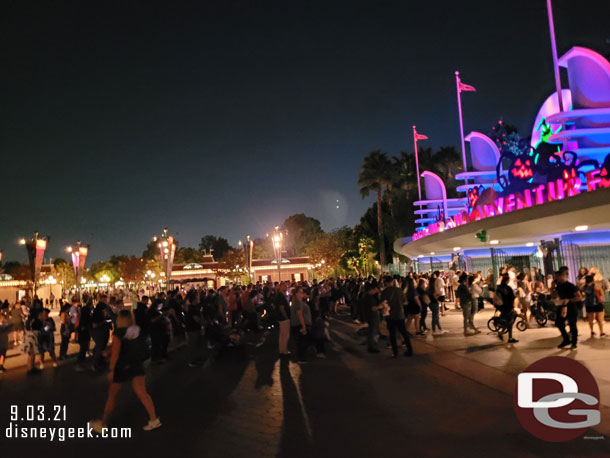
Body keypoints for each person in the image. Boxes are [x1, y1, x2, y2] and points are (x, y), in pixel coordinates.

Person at [90, 310, 160, 433]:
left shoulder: (118, 333)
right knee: (142, 392)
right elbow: (130, 344)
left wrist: (112, 370)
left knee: (112, 395)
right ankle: (154, 419)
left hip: (122, 367)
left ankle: (103, 423)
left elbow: (116, 353)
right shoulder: (136, 330)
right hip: (137, 364)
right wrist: (110, 350)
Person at [381, 276, 413, 358]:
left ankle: (395, 352)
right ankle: (409, 349)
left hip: (390, 315)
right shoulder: (399, 290)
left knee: (392, 334)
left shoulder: (384, 292)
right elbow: (405, 302)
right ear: (392, 282)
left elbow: (382, 304)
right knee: (404, 332)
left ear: (386, 283)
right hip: (399, 314)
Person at [554, 266, 582, 349]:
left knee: (572, 324)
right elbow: (555, 295)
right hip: (562, 306)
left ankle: (574, 342)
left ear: (562, 276)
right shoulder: (558, 286)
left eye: (557, 277)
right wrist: (552, 287)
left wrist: (569, 300)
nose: (556, 278)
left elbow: (579, 297)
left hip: (571, 307)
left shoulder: (570, 285)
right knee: (558, 322)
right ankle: (566, 339)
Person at [290, 286, 313, 363]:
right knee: (302, 342)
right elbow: (299, 314)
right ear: (296, 294)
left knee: (302, 342)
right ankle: (301, 358)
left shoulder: (299, 301)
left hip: (301, 324)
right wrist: (303, 326)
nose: (302, 293)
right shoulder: (297, 302)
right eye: (301, 292)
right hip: (299, 324)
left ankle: (301, 357)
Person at [495, 274, 518, 343]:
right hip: (508, 306)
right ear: (507, 280)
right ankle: (509, 337)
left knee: (507, 319)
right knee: (510, 320)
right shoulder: (507, 288)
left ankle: (502, 332)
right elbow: (512, 297)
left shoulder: (499, 288)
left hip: (501, 307)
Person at [362, 282, 382, 353]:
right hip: (372, 316)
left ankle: (370, 344)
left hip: (368, 316)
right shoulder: (370, 298)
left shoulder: (365, 296)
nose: (376, 291)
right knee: (372, 331)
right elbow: (373, 308)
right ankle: (371, 347)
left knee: (371, 331)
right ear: (371, 290)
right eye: (375, 290)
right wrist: (380, 306)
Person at [275, 282, 291, 356]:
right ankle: (284, 349)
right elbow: (282, 308)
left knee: (282, 334)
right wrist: (286, 317)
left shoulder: (280, 295)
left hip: (281, 317)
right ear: (280, 287)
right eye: (284, 286)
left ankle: (282, 349)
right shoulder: (280, 296)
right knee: (285, 334)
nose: (286, 287)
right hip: (283, 318)